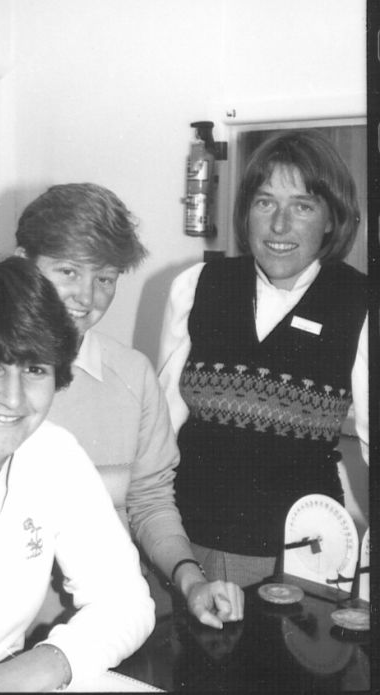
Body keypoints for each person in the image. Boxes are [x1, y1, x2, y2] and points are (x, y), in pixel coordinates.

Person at [0, 253, 155, 692]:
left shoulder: (52, 454)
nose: (14, 399)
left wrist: (46, 664)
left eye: (35, 369)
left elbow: (125, 600)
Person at [15, 182, 244, 630]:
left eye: (104, 278)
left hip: (110, 620)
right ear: (25, 263)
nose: (87, 296)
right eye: (67, 271)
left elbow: (150, 501)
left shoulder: (133, 375)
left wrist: (191, 579)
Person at [157, 128, 368, 588]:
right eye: (265, 202)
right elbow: (163, 425)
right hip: (188, 541)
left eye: (303, 207)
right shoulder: (197, 286)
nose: (279, 226)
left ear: (331, 220)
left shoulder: (360, 303)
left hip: (301, 554)